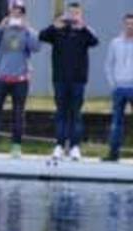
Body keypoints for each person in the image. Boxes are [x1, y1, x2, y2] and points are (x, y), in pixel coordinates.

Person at [0, 1, 40, 159]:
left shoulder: (27, 31)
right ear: (9, 13)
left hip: (20, 79)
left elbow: (36, 46)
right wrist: (0, 26)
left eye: (20, 12)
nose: (17, 15)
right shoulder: (2, 30)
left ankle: (16, 146)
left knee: (18, 114)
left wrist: (28, 29)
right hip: (1, 77)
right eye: (14, 12)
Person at [39, 2, 99, 161]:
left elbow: (95, 41)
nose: (73, 17)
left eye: (76, 14)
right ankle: (59, 145)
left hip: (78, 79)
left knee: (75, 113)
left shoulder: (84, 32)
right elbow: (42, 36)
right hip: (60, 78)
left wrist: (83, 26)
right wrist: (55, 25)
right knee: (61, 112)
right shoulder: (58, 31)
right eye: (71, 13)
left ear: (80, 15)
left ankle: (74, 146)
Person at [105, 13, 133, 162]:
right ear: (123, 24)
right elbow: (108, 65)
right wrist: (113, 85)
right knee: (116, 122)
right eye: (128, 23)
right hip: (119, 89)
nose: (130, 26)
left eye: (132, 23)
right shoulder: (115, 43)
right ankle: (113, 154)